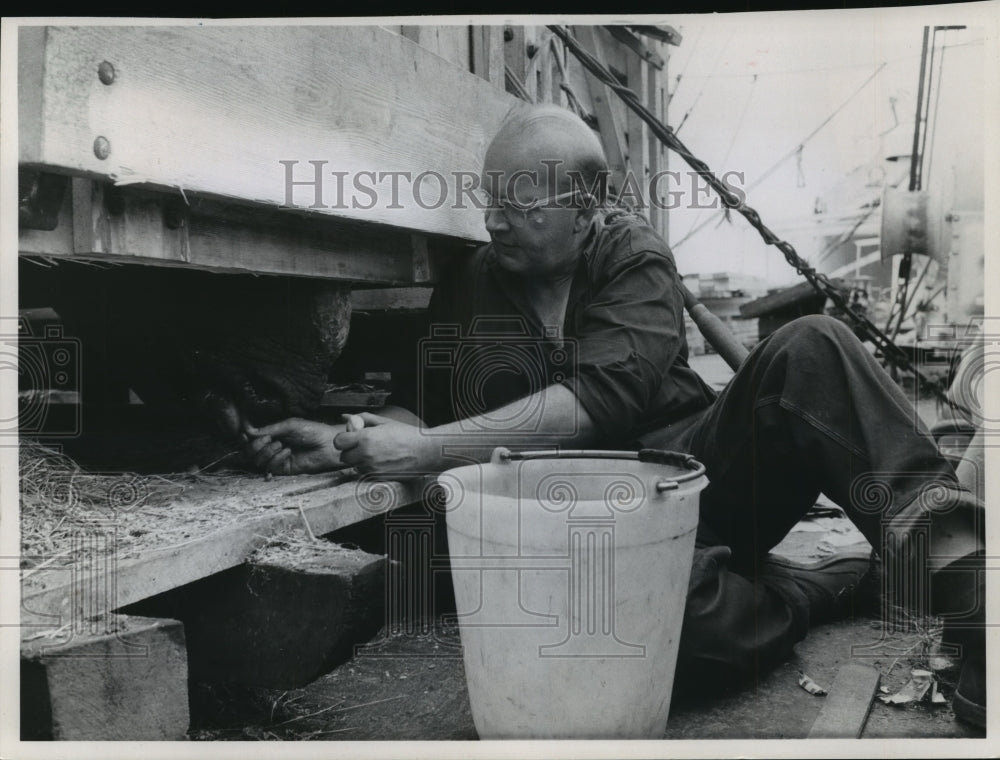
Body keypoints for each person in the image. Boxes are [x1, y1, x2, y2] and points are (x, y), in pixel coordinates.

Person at [245, 104, 985, 728]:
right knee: (662, 642)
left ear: (587, 209)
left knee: (813, 346)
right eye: (489, 200)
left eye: (522, 208)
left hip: (700, 478)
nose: (496, 222)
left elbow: (602, 404)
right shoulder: (473, 280)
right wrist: (355, 438)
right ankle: (821, 587)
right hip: (590, 528)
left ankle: (967, 585)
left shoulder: (634, 257)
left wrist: (426, 451)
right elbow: (423, 404)